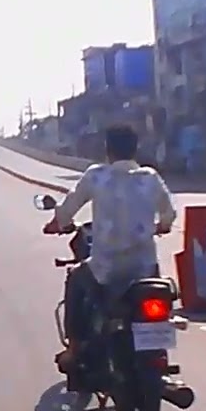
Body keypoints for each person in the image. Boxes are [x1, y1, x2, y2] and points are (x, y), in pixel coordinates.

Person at [43, 125, 178, 373]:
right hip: (145, 268)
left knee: (74, 280)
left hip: (106, 269)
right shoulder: (150, 177)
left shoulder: (96, 175)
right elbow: (169, 213)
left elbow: (68, 208)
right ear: (135, 149)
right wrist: (163, 226)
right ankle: (159, 358)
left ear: (107, 150)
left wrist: (57, 223)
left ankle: (73, 350)